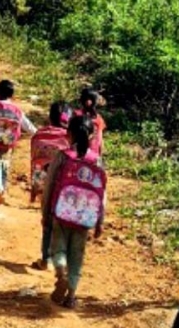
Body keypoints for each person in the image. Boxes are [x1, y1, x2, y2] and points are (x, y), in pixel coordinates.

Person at [41, 115, 106, 309]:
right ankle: (71, 295)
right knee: (77, 255)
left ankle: (60, 272)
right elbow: (102, 194)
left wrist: (46, 213)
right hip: (85, 216)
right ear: (92, 134)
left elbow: (49, 185)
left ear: (68, 134)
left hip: (61, 212)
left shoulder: (62, 156)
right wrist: (99, 220)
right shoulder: (97, 161)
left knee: (58, 248)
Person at [0, 79, 36, 205]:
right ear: (12, 95)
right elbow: (27, 125)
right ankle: (1, 189)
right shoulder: (17, 109)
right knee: (4, 166)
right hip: (8, 142)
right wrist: (38, 134)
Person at [29, 101, 73, 271]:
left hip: (45, 185)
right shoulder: (70, 139)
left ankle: (45, 259)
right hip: (65, 188)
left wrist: (34, 188)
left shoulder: (39, 136)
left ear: (50, 116)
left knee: (47, 223)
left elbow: (34, 162)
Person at [77, 87, 106, 154]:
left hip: (91, 152)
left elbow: (100, 138)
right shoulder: (77, 115)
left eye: (90, 99)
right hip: (83, 153)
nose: (88, 102)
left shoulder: (98, 118)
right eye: (86, 99)